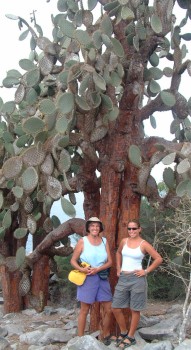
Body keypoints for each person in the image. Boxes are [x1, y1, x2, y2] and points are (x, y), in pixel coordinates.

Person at [111, 219, 163, 349]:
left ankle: (131, 336)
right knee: (116, 307)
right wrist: (118, 268)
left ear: (139, 229)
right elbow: (118, 252)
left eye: (134, 228)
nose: (131, 231)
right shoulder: (124, 241)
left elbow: (158, 259)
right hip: (123, 278)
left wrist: (146, 271)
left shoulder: (144, 244)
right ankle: (124, 332)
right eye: (129, 229)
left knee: (135, 309)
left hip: (137, 279)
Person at [70, 216, 113, 343]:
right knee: (84, 310)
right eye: (92, 226)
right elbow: (73, 260)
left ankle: (104, 334)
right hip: (87, 278)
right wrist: (82, 269)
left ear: (100, 228)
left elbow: (110, 262)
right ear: (88, 228)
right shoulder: (82, 241)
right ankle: (80, 338)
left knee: (109, 309)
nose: (95, 228)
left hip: (102, 277)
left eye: (97, 226)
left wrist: (98, 269)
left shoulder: (104, 241)